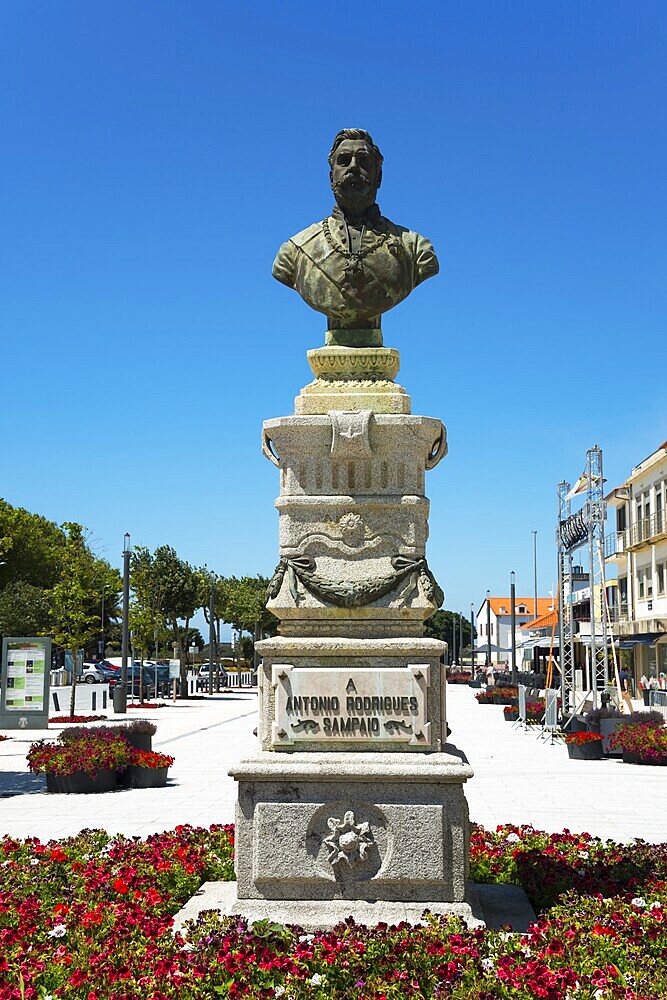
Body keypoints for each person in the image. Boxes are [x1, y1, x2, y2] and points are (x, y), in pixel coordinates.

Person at [272, 128, 439, 340]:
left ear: (378, 177)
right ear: (332, 176)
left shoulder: (415, 248)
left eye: (363, 161)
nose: (353, 167)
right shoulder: (294, 252)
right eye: (343, 160)